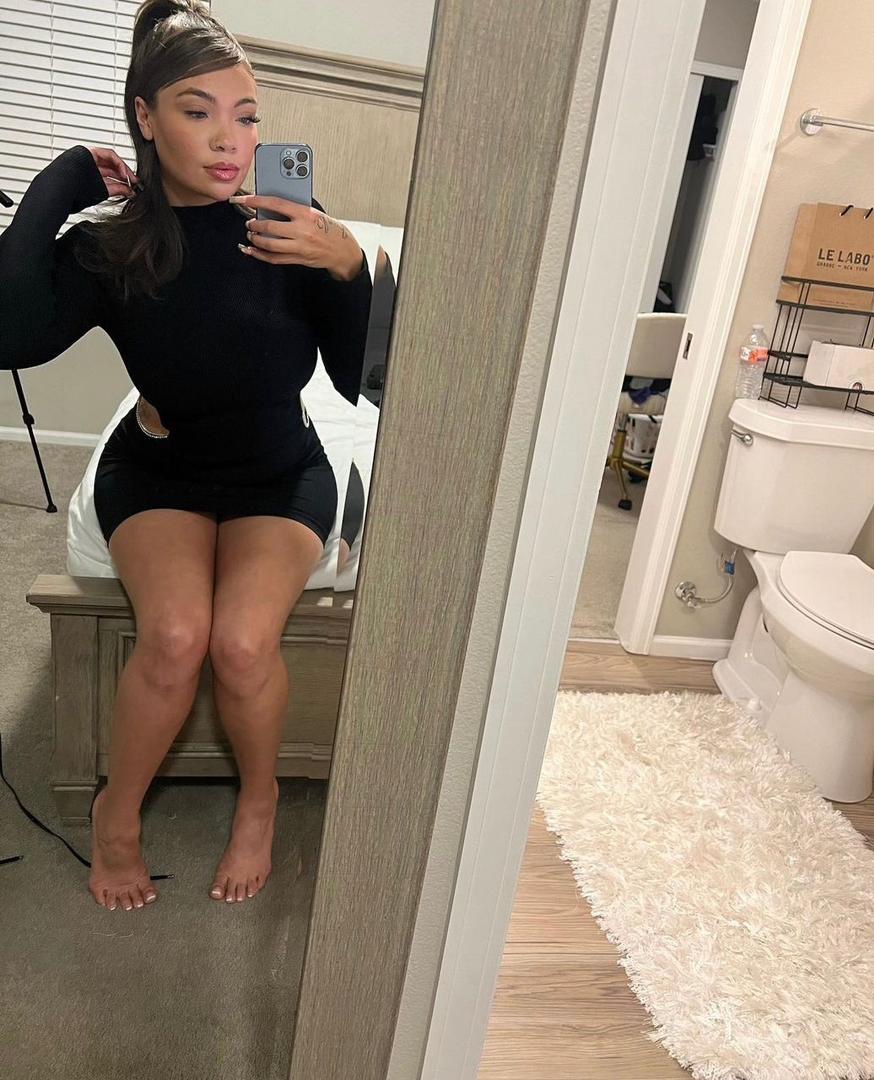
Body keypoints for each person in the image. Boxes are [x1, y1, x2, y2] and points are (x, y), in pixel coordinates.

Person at [0, 0, 372, 912]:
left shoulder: (290, 226)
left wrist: (347, 265)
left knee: (242, 644)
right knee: (173, 637)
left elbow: (356, 375)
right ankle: (115, 817)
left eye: (245, 116)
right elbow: (8, 334)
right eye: (197, 111)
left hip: (278, 471)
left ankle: (259, 799)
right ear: (146, 116)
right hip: (159, 468)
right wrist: (62, 180)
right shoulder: (114, 245)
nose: (228, 140)